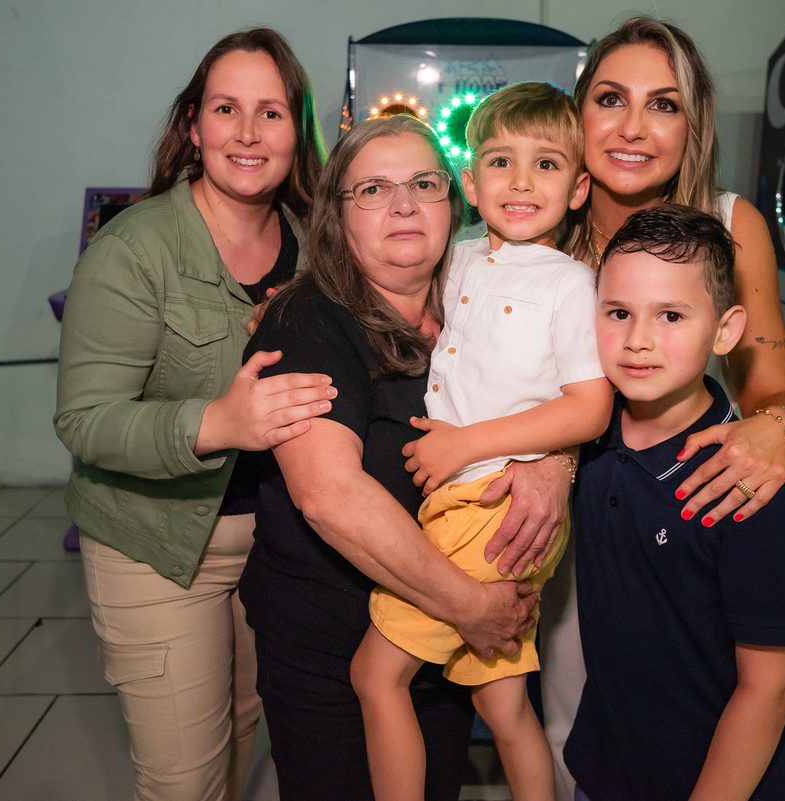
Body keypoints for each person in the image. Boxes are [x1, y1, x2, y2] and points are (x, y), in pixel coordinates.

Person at [239, 114, 572, 801]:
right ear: (336, 216)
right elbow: (330, 496)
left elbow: (567, 393)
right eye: (373, 189)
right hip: (335, 644)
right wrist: (470, 605)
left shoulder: (480, 302)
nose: (403, 204)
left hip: (446, 639)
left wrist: (555, 460)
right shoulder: (308, 321)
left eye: (425, 183)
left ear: (456, 202)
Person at [539, 20, 785, 798]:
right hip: (577, 524)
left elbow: (775, 384)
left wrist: (776, 430)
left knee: (714, 694)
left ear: (691, 124)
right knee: (581, 732)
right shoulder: (537, 230)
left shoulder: (730, 228)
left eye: (662, 104)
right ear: (578, 113)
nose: (632, 127)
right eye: (610, 99)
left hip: (687, 508)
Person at [54, 29, 331, 801]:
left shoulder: (317, 248)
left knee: (240, 737)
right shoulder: (133, 251)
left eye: (270, 112)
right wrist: (218, 423)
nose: (247, 133)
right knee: (186, 779)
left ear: (296, 131)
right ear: (193, 126)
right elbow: (85, 419)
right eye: (226, 109)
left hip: (275, 544)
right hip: (157, 545)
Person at [348, 83, 611, 801]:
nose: (521, 181)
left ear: (580, 187)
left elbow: (589, 408)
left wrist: (467, 445)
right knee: (502, 705)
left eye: (547, 165)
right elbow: (399, 297)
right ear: (470, 182)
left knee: (376, 674)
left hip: (493, 500)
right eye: (500, 161)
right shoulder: (462, 257)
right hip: (460, 500)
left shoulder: (570, 284)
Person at [566, 205, 785, 801]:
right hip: (607, 771)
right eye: (619, 312)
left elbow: (769, 686)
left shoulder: (747, 479)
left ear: (726, 330)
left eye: (671, 315)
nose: (638, 340)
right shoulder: (586, 438)